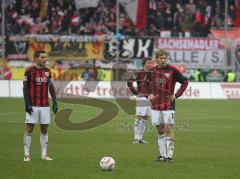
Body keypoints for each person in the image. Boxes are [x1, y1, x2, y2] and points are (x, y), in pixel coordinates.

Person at [148, 49, 188, 162]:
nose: (163, 60)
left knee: (168, 129)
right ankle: (162, 155)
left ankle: (170, 156)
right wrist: (148, 95)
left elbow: (185, 82)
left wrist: (176, 95)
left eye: (165, 58)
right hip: (155, 105)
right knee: (160, 130)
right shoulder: (151, 71)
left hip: (169, 105)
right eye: (161, 58)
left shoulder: (173, 70)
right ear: (157, 59)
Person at [23, 50, 58, 162]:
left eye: (45, 57)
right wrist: (27, 104)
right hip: (33, 105)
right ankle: (26, 155)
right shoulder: (29, 71)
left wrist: (55, 102)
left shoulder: (47, 71)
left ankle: (44, 155)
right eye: (42, 57)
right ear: (36, 58)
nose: (45, 59)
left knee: (44, 129)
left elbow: (51, 86)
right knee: (29, 128)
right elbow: (25, 88)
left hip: (45, 105)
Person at [127, 57, 152, 144]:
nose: (150, 64)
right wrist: (136, 92)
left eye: (151, 63)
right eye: (148, 63)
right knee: (139, 117)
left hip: (149, 98)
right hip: (142, 98)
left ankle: (140, 138)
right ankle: (136, 138)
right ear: (144, 64)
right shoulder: (139, 73)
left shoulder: (152, 73)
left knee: (145, 118)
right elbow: (129, 82)